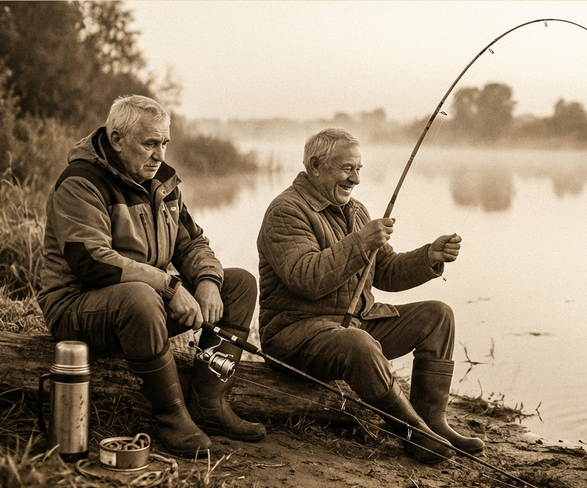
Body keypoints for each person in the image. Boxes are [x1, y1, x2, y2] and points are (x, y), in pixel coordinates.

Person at [37, 95, 264, 458]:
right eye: (150, 143)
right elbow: (93, 262)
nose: (160, 154)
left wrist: (206, 281)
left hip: (140, 301)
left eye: (164, 143)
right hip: (76, 307)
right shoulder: (80, 182)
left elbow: (192, 244)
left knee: (238, 284)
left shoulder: (164, 183)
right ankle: (171, 417)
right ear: (116, 139)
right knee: (140, 296)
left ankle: (209, 406)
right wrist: (169, 285)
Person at [256, 128, 483, 464]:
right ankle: (412, 432)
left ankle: (434, 421)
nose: (356, 179)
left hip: (353, 326)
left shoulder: (356, 211)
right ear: (316, 166)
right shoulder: (286, 211)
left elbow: (385, 272)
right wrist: (360, 243)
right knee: (358, 344)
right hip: (295, 336)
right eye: (347, 168)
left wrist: (429, 257)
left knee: (438, 315)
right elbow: (306, 278)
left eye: (359, 169)